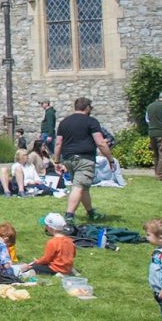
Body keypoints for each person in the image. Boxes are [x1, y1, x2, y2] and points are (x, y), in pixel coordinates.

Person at [53, 97, 115, 226]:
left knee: (83, 187)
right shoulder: (91, 122)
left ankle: (91, 212)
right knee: (79, 187)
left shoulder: (64, 122)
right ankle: (69, 216)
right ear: (87, 107)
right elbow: (101, 143)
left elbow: (58, 143)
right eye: (90, 107)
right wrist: (110, 159)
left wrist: (57, 161)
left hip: (68, 159)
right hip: (84, 159)